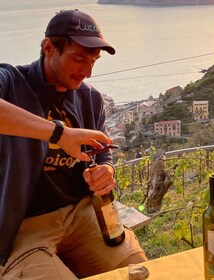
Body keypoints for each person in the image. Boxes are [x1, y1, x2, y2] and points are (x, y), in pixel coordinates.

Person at [0, 9, 147, 279]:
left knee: (138, 271)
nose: (87, 72)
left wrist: (106, 173)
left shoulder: (90, 99)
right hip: (25, 225)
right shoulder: (12, 83)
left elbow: (102, 154)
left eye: (94, 61)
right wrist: (59, 134)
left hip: (81, 213)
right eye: (79, 59)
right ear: (49, 48)